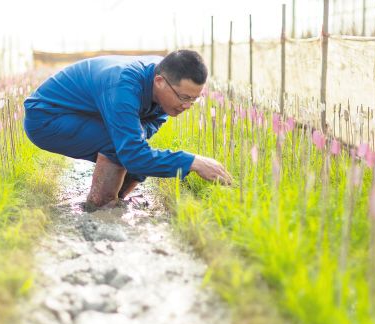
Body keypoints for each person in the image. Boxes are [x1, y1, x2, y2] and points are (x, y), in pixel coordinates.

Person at [22, 50, 232, 209]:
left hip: (85, 114)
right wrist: (192, 162)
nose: (187, 106)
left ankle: (113, 203)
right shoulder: (124, 85)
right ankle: (100, 205)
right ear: (159, 82)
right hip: (47, 117)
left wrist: (137, 148)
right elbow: (132, 154)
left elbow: (144, 133)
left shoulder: (167, 85)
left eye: (194, 99)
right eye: (184, 97)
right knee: (123, 147)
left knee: (135, 150)